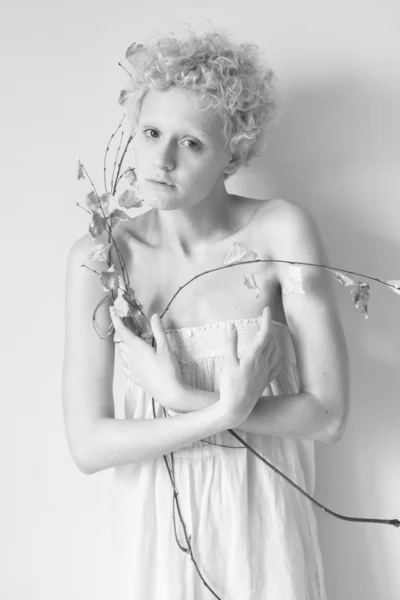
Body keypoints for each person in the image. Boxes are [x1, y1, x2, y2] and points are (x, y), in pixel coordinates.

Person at [62, 26, 350, 600]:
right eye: (151, 133)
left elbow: (329, 416)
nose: (162, 159)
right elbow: (88, 445)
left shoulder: (279, 231)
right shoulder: (102, 259)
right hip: (159, 530)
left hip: (264, 514)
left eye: (191, 143)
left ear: (232, 154)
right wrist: (215, 415)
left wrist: (185, 399)